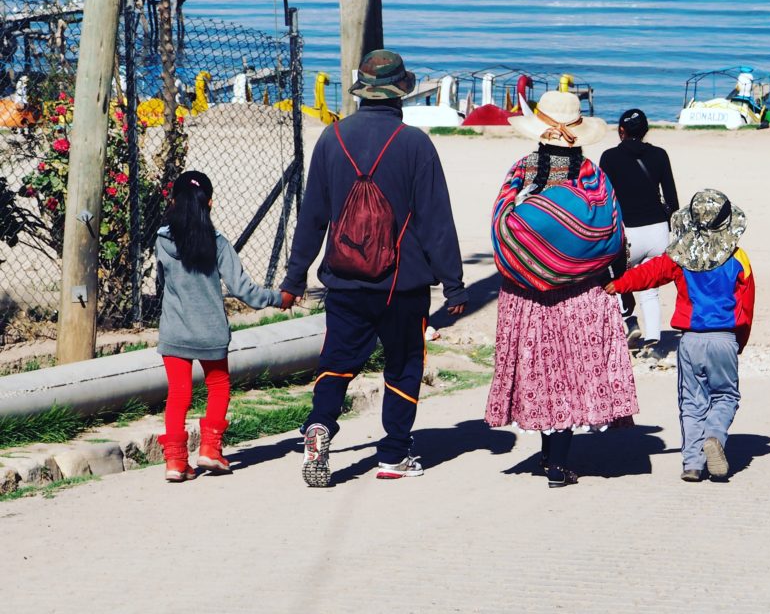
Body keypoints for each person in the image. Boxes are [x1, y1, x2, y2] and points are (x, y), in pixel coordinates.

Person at [281, 49, 468, 487]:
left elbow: (312, 218)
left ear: (363, 92)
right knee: (403, 364)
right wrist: (455, 285)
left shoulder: (332, 140)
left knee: (337, 362)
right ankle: (393, 454)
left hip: (344, 282)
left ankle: (320, 425)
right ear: (400, 92)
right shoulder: (415, 145)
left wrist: (294, 277)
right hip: (402, 286)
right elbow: (436, 220)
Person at [485, 90, 639, 488]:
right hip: (581, 295)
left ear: (538, 135)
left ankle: (549, 456)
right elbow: (613, 234)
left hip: (526, 295)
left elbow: (502, 225)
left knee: (543, 372)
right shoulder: (593, 178)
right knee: (569, 373)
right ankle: (558, 463)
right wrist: (619, 285)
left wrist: (533, 256)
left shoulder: (521, 173)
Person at [605, 189, 755, 482]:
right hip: (724, 337)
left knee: (691, 401)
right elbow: (746, 306)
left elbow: (647, 273)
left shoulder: (679, 256)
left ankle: (692, 464)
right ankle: (714, 436)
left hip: (689, 341)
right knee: (725, 396)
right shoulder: (740, 258)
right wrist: (740, 342)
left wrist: (617, 285)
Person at [156, 170, 286, 483]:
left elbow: (162, 282)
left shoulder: (161, 241)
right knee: (218, 386)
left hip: (174, 331)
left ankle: (175, 461)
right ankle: (210, 450)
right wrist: (277, 298)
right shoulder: (217, 244)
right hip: (211, 331)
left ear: (173, 201)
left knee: (178, 394)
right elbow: (245, 292)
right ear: (210, 203)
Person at [599, 108, 678, 355]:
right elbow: (673, 201)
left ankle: (630, 321)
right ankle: (653, 341)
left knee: (616, 280)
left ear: (621, 131)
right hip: (658, 230)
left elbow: (605, 200)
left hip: (628, 231)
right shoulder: (660, 155)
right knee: (650, 287)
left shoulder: (609, 157)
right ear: (645, 131)